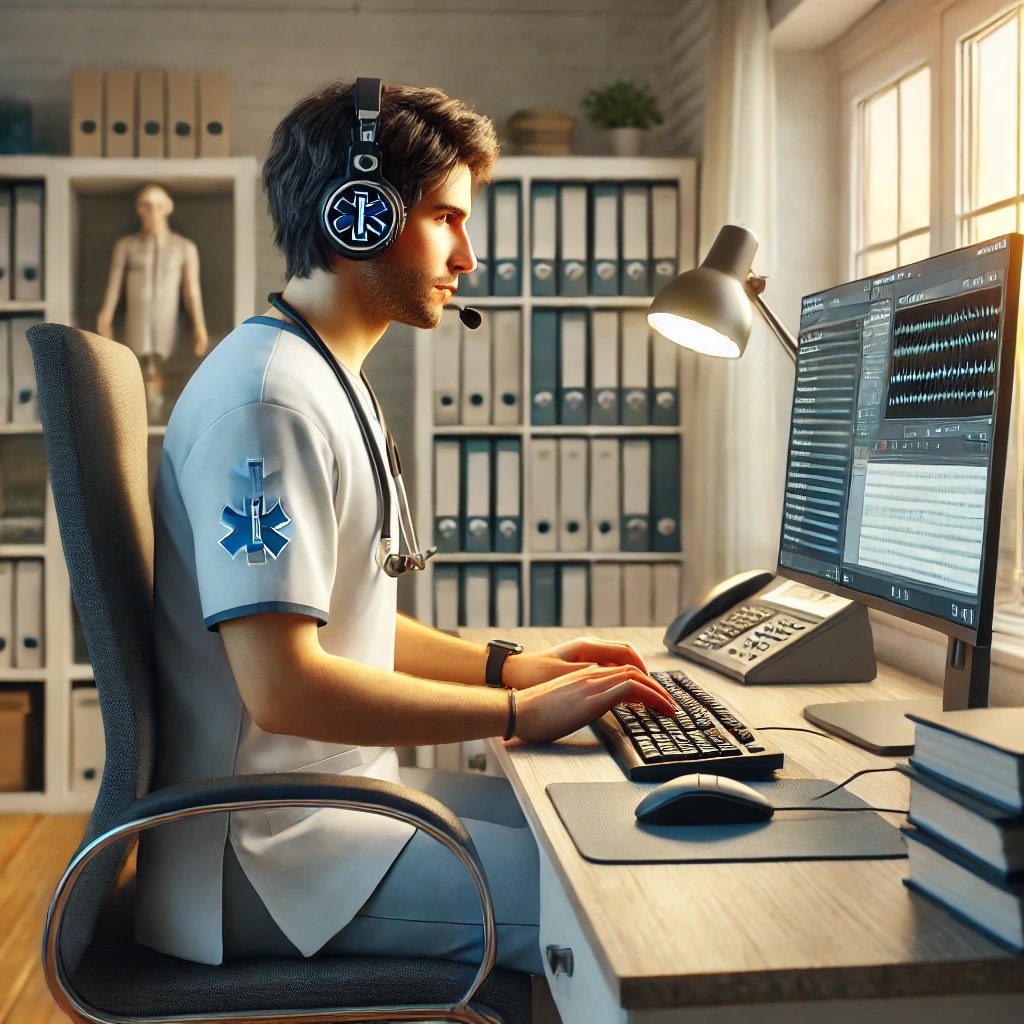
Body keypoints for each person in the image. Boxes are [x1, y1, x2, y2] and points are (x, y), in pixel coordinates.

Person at [134, 80, 677, 974]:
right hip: (271, 857)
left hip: (332, 806)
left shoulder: (321, 376)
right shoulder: (269, 404)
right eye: (445, 217)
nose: (468, 254)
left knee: (614, 825)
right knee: (625, 903)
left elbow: (352, 623)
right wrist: (514, 712)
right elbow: (283, 687)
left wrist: (514, 668)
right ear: (357, 217)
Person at [96, 183, 208, 422]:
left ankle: (163, 416)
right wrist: (105, 315)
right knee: (135, 374)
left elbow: (191, 290)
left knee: (166, 373)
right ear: (139, 209)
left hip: (167, 323)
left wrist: (199, 325)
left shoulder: (184, 247)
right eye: (146, 205)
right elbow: (114, 284)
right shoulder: (127, 245)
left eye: (158, 205)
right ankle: (139, 419)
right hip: (137, 321)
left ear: (167, 208)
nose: (153, 211)